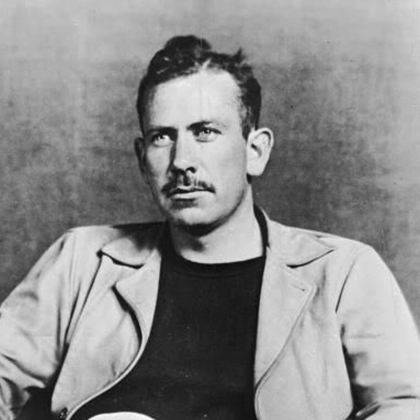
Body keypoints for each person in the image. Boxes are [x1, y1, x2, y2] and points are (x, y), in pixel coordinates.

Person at [1, 35, 420, 420]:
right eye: (162, 137)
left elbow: (405, 406)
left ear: (256, 151)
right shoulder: (81, 260)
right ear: (142, 159)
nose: (182, 161)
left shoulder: (344, 273)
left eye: (205, 132)